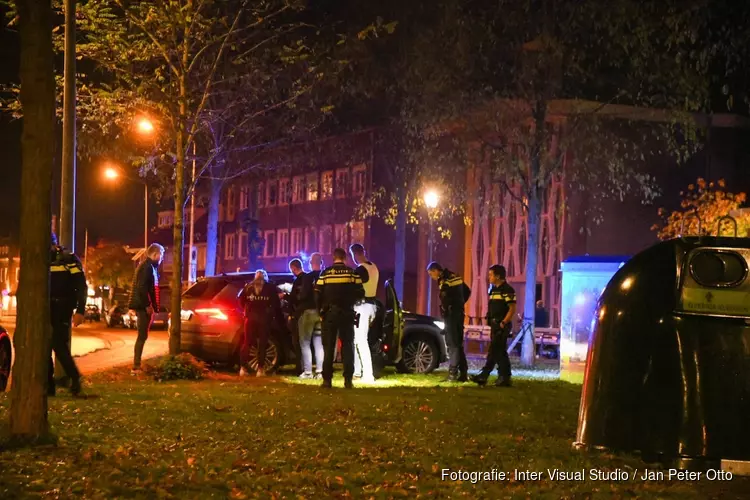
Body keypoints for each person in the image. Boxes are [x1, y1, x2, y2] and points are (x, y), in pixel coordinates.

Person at [314, 248, 365, 389]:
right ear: (345, 258)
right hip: (347, 313)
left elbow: (317, 294)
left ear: (333, 257)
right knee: (348, 346)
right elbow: (361, 292)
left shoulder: (325, 273)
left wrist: (320, 312)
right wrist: (350, 301)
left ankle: (327, 381)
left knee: (329, 347)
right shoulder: (352, 273)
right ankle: (348, 380)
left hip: (330, 313)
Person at [48, 232, 87, 397]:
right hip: (46, 307)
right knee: (44, 347)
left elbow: (81, 286)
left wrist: (80, 311)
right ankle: (49, 386)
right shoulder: (40, 261)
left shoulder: (69, 259)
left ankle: (74, 378)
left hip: (63, 308)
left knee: (58, 344)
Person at [471, 265, 515, 387]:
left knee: (494, 351)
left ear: (498, 276)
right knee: (500, 352)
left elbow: (512, 309)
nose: (488, 277)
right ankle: (505, 377)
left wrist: (503, 323)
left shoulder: (507, 290)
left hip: (502, 326)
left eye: (491, 274)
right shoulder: (493, 290)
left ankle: (484, 375)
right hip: (494, 325)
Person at [427, 262, 471, 382]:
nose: (432, 277)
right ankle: (463, 373)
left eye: (431, 274)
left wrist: (454, 306)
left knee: (453, 344)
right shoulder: (452, 277)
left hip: (452, 315)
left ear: (436, 270)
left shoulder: (447, 280)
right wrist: (460, 304)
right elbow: (467, 291)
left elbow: (447, 299)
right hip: (455, 314)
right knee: (457, 343)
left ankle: (453, 374)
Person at [238, 269, 284, 377]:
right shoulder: (270, 288)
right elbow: (276, 304)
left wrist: (246, 310)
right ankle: (260, 369)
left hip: (250, 319)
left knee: (247, 343)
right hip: (264, 319)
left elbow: (241, 300)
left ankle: (243, 368)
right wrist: (275, 315)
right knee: (263, 344)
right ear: (265, 277)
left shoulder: (248, 287)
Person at [128, 243, 165, 374]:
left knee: (143, 335)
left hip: (143, 306)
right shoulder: (147, 268)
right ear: (155, 254)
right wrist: (147, 305)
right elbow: (142, 288)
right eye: (161, 255)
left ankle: (137, 364)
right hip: (143, 307)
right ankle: (136, 366)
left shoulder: (149, 267)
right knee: (142, 335)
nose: (162, 258)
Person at [289, 258, 324, 379]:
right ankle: (320, 372)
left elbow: (302, 296)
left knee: (305, 343)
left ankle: (308, 372)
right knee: (319, 343)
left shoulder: (307, 277)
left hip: (307, 312)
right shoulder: (325, 275)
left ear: (310, 263)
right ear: (321, 262)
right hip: (320, 313)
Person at [349, 243, 379, 383]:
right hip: (372, 305)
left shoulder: (360, 269)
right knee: (357, 340)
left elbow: (353, 288)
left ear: (355, 254)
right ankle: (357, 371)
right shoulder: (373, 266)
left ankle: (367, 374)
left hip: (362, 306)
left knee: (360, 341)